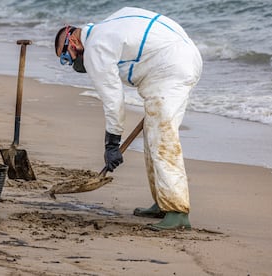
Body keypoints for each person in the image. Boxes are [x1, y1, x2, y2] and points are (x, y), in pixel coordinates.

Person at [54, 7, 202, 230]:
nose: (70, 63)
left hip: (169, 69)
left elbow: (113, 100)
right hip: (183, 58)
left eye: (66, 57)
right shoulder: (109, 24)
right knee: (154, 137)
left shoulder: (95, 48)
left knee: (162, 140)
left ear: (73, 43)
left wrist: (111, 143)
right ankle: (164, 202)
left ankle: (178, 213)